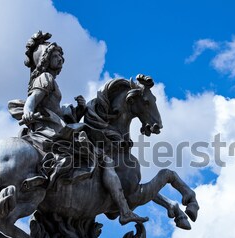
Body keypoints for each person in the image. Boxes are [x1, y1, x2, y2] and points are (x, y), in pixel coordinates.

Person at [19, 31, 147, 225]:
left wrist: (78, 109)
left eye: (61, 56)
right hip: (51, 131)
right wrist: (28, 109)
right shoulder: (45, 78)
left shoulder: (49, 80)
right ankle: (124, 210)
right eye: (55, 56)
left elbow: (55, 110)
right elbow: (33, 99)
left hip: (54, 125)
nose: (60, 59)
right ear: (45, 60)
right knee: (104, 159)